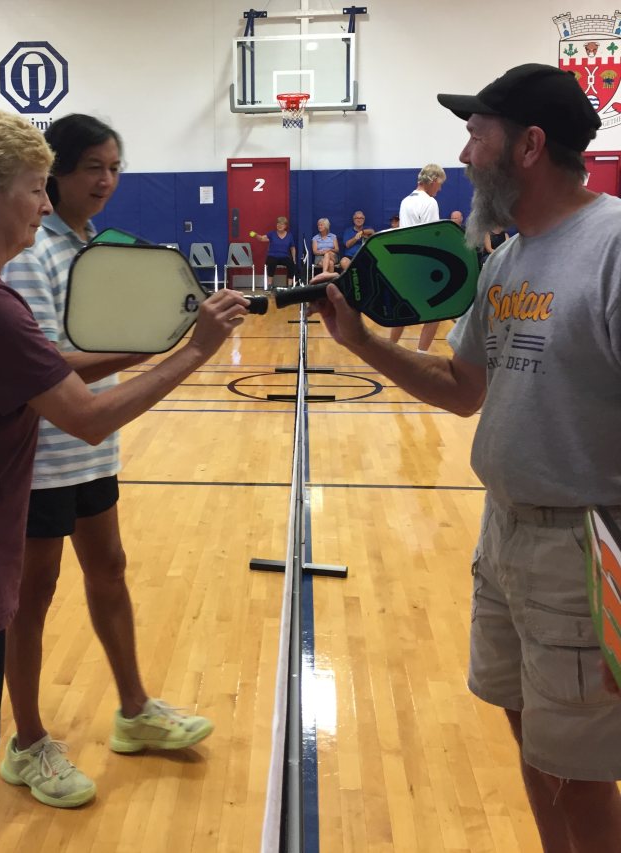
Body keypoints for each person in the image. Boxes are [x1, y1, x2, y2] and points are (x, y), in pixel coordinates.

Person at [0, 108, 250, 852]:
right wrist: (196, 349)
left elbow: (46, 371)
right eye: (38, 188)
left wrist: (161, 341)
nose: (47, 205)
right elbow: (85, 418)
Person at [312, 63, 621, 851]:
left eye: (477, 133)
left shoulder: (611, 245)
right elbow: (460, 387)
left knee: (580, 769)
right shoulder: (507, 261)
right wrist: (363, 342)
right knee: (535, 749)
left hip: (585, 546)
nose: (463, 151)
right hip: (505, 534)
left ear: (529, 145)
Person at [0, 113, 215, 809]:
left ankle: (133, 710)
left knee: (111, 570)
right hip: (42, 454)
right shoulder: (30, 254)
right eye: (93, 166)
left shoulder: (97, 246)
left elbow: (109, 339)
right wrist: (164, 345)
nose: (106, 180)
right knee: (32, 595)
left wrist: (166, 331)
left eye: (115, 167)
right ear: (53, 173)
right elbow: (48, 364)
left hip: (95, 444)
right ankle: (27, 742)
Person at [390, 164, 447, 352]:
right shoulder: (429, 203)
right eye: (439, 184)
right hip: (422, 264)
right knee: (436, 312)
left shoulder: (406, 200)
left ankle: (389, 350)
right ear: (432, 181)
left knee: (404, 311)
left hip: (404, 263)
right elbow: (430, 237)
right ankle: (421, 357)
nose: (440, 189)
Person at [251, 216, 297, 285]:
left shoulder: (289, 235)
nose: (279, 225)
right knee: (271, 262)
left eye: (281, 224)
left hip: (284, 256)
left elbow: (292, 248)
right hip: (273, 255)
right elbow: (261, 238)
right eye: (278, 223)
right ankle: (269, 285)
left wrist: (293, 258)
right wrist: (255, 235)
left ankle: (290, 285)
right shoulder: (272, 234)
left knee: (291, 264)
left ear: (285, 226)